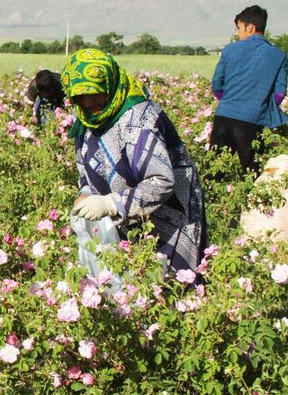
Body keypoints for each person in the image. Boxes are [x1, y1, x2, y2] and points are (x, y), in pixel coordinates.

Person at [64, 48, 208, 278]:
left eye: (95, 93)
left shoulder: (139, 118)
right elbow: (85, 163)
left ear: (109, 84)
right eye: (80, 96)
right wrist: (86, 191)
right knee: (127, 285)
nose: (89, 102)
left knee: (169, 286)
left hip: (169, 215)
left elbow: (161, 181)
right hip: (125, 218)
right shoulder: (84, 115)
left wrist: (112, 204)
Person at [209, 5, 288, 172]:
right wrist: (258, 105)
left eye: (239, 28)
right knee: (252, 173)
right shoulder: (279, 55)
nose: (238, 33)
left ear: (250, 28)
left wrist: (229, 101)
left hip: (223, 117)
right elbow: (280, 94)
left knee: (215, 170)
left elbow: (216, 85)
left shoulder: (230, 50)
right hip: (252, 122)